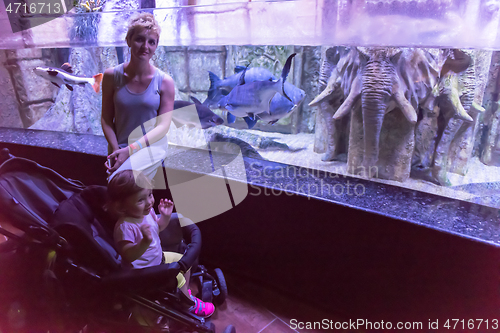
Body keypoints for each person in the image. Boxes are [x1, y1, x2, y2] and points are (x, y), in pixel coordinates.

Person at [108, 169, 215, 318]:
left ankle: (183, 294)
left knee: (186, 262)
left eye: (150, 195)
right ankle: (187, 304)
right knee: (180, 275)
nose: (149, 202)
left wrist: (165, 217)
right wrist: (144, 242)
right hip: (143, 273)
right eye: (141, 200)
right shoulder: (125, 226)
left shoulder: (147, 212)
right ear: (122, 206)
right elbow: (128, 254)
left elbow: (157, 229)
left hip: (157, 260)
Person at [101, 12, 174, 180]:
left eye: (151, 42)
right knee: (120, 191)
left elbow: (163, 126)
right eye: (139, 39)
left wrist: (131, 150)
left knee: (124, 186)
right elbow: (106, 118)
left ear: (156, 46)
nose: (145, 46)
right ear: (128, 40)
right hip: (119, 147)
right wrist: (115, 149)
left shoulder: (165, 82)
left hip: (149, 149)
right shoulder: (112, 76)